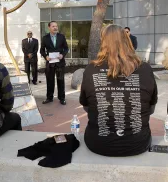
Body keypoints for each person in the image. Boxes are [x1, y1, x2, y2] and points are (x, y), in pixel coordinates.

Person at [79, 24, 158, 157]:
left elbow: (87, 107)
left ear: (103, 42)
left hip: (98, 143)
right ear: (127, 40)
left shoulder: (91, 69)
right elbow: (151, 109)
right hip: (138, 143)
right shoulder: (145, 69)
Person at [40, 21, 69, 105]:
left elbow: (66, 48)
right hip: (50, 63)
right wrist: (46, 56)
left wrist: (62, 55)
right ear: (49, 27)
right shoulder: (45, 38)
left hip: (60, 63)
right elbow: (41, 50)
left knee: (60, 81)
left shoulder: (61, 37)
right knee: (50, 81)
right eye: (53, 26)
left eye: (56, 26)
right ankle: (49, 98)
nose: (55, 27)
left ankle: (62, 98)